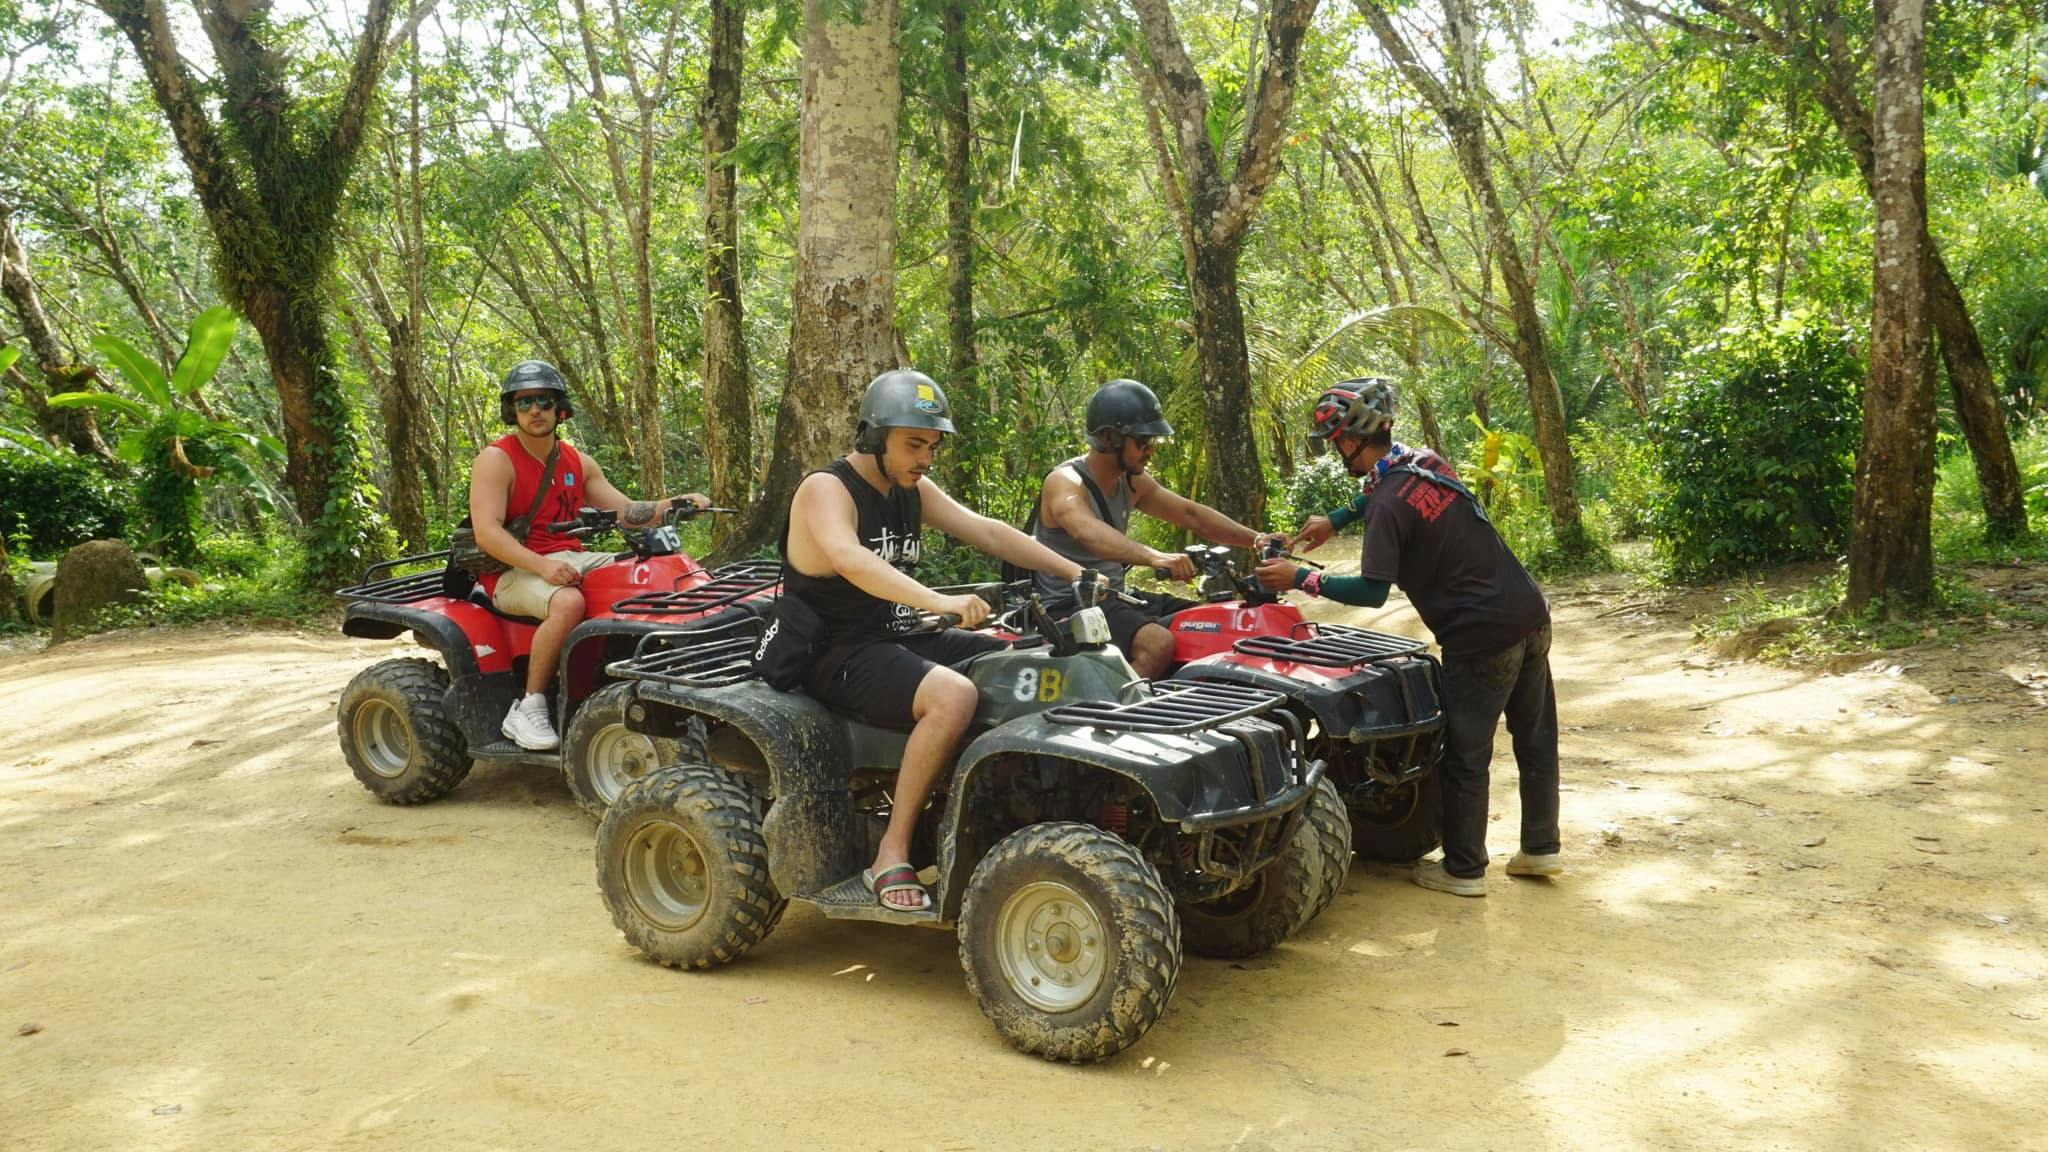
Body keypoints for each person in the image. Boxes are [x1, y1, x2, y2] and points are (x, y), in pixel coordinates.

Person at [783, 369, 1093, 911]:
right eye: (913, 444)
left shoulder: (909, 489)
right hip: (834, 652)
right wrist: (938, 601)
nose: (925, 457)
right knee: (954, 695)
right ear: (874, 436)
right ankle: (891, 852)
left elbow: (988, 531)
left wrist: (1075, 572)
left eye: (931, 446)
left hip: (895, 637)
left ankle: (997, 813)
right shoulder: (827, 489)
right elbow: (848, 558)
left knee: (1020, 663)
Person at [1256, 378, 1560, 897]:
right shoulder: (1426, 462)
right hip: (1528, 611)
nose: (1336, 451)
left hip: (1479, 636)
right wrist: (1335, 519)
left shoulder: (1387, 508)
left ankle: (1464, 870)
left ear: (1354, 437)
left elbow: (1373, 591)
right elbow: (1390, 483)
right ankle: (1540, 847)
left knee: (1466, 752)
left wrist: (1301, 578)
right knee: (1534, 736)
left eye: (1337, 441)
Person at [468, 360, 706, 751]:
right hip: (512, 570)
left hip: (569, 556)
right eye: (524, 402)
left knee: (648, 571)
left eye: (544, 400)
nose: (535, 410)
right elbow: (487, 533)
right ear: (512, 409)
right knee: (568, 602)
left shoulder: (576, 462)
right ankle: (529, 705)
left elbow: (626, 512)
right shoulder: (497, 459)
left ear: (559, 407)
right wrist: (543, 566)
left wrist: (676, 503)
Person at [1028, 378, 1285, 677]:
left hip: (1117, 598)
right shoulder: (1065, 481)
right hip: (1068, 606)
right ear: (1110, 437)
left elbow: (1191, 515)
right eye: (1142, 441)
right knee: (1158, 644)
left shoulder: (1131, 482)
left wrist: (1256, 539)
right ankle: (1116, 706)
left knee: (1216, 623)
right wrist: (1154, 557)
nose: (1150, 450)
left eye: (1153, 442)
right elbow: (1086, 531)